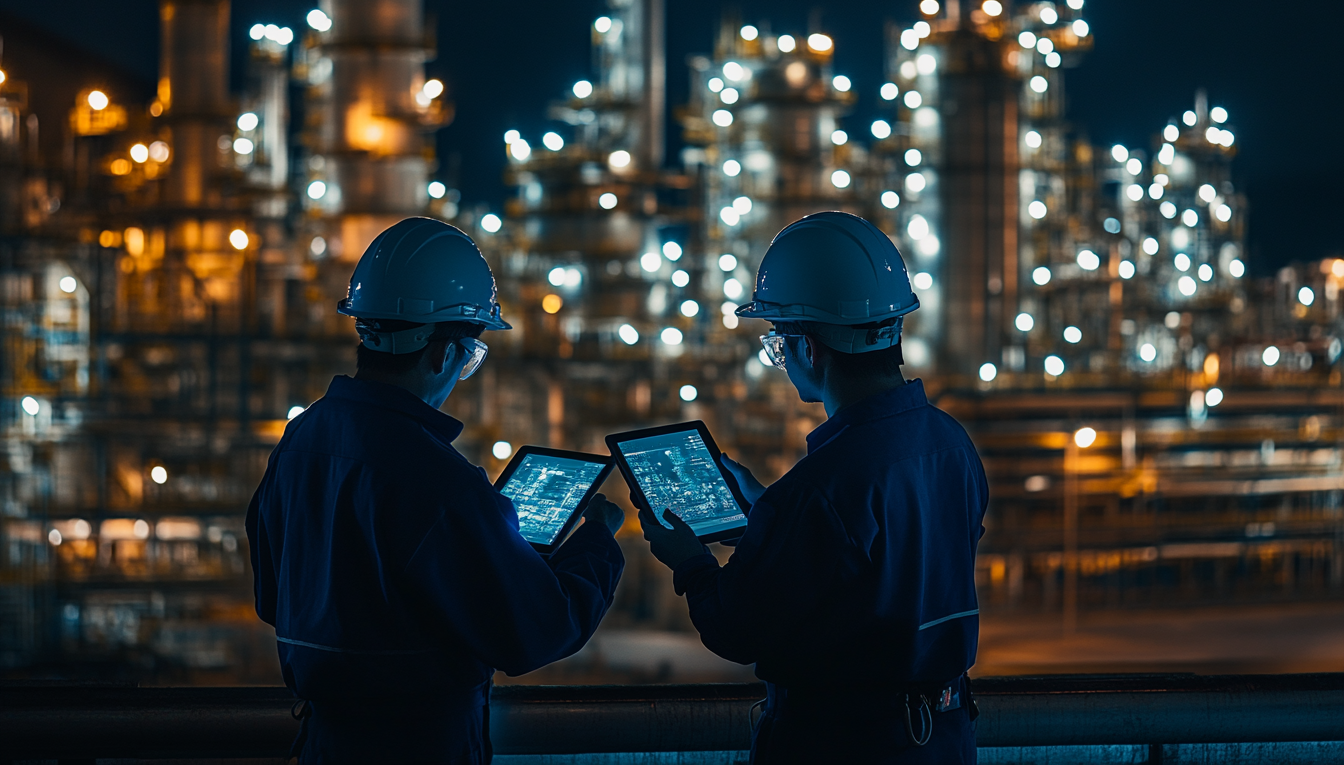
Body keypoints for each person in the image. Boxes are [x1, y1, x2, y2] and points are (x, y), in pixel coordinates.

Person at [247, 217, 625, 764]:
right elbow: (535, 632)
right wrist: (597, 543)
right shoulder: (436, 478)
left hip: (323, 743)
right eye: (471, 356)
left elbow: (272, 597)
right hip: (420, 743)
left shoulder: (300, 441)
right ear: (444, 354)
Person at [640, 211, 988, 764]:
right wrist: (767, 516)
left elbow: (737, 628)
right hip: (942, 738)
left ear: (809, 347)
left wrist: (690, 561)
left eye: (778, 342)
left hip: (843, 743)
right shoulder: (951, 443)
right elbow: (880, 566)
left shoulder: (822, 487)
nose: (781, 359)